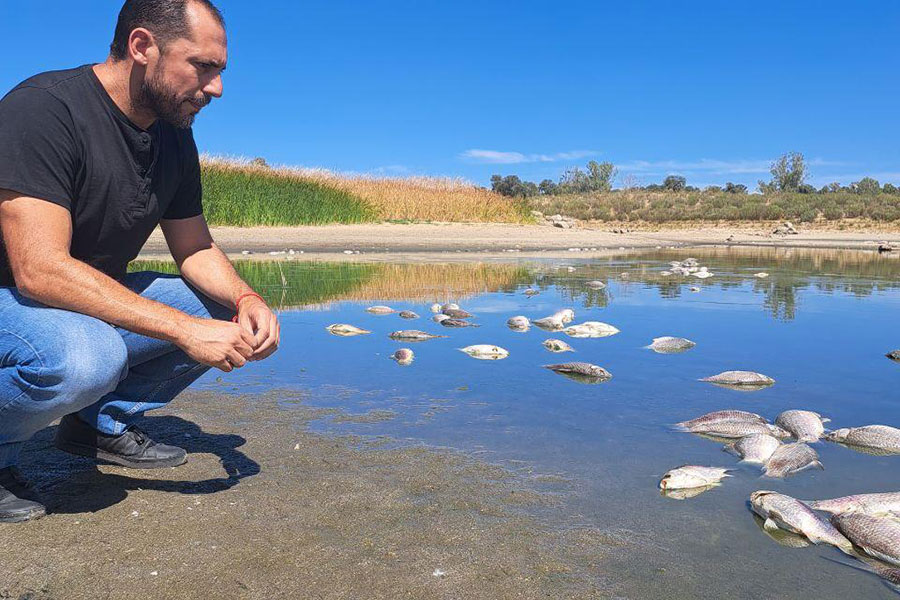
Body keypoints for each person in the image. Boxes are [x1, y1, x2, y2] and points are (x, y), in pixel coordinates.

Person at [0, 0, 279, 523]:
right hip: (12, 297)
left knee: (222, 314)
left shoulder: (173, 132)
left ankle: (94, 424)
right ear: (142, 46)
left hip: (70, 297)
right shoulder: (43, 109)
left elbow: (195, 248)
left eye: (220, 70)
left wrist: (247, 298)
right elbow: (38, 270)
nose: (216, 87)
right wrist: (181, 329)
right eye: (203, 66)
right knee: (88, 357)